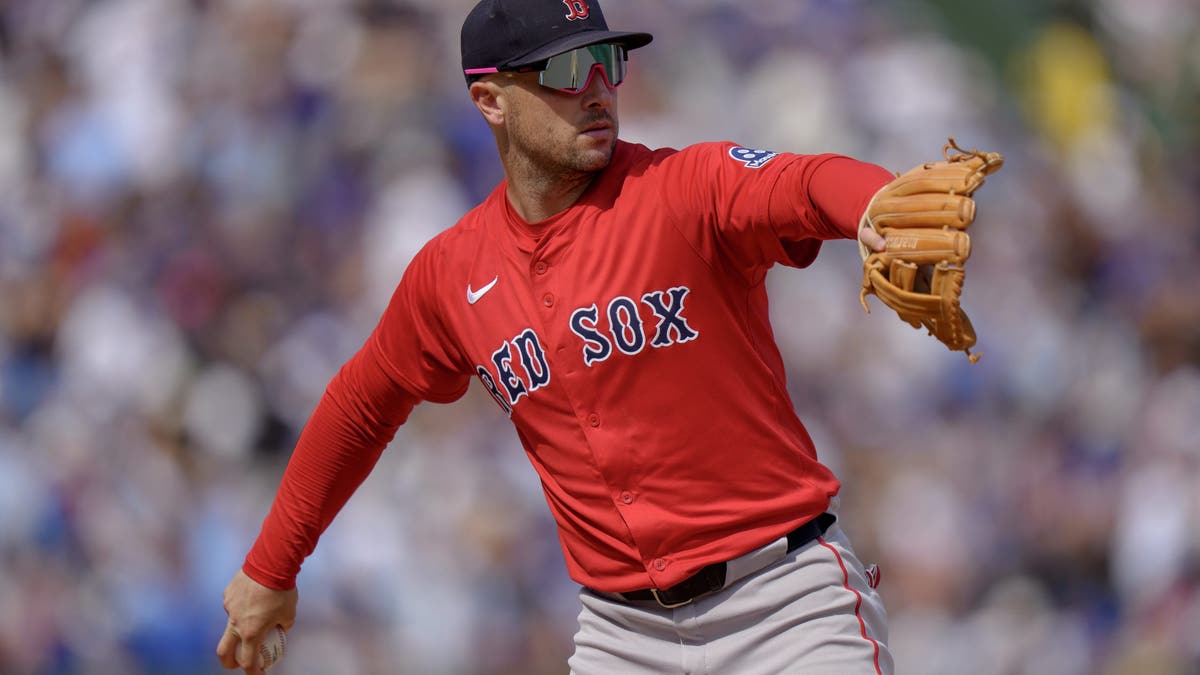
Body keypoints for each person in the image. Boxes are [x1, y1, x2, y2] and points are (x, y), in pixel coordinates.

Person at [217, 0, 898, 673]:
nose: (597, 89)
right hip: (623, 635)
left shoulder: (680, 187)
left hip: (784, 602)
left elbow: (806, 182)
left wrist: (880, 205)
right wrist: (271, 566)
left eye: (607, 61)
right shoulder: (452, 272)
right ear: (491, 100)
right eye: (567, 70)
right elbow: (359, 407)